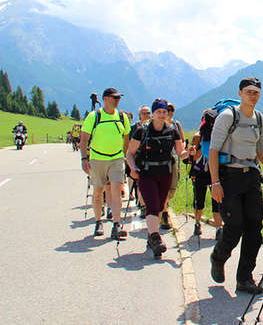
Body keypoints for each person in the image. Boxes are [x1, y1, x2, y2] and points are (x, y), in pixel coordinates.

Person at [208, 77, 263, 294]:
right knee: (234, 227)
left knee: (254, 229)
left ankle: (244, 278)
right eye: (248, 91)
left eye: (255, 92)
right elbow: (213, 151)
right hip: (229, 177)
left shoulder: (260, 119)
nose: (252, 95)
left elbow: (260, 151)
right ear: (240, 93)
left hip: (251, 177)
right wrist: (215, 182)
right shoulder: (228, 117)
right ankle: (218, 256)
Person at [126, 99, 190, 257]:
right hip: (147, 173)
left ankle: (151, 236)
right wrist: (132, 168)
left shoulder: (172, 131)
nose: (162, 115)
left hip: (165, 173)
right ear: (153, 114)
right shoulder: (142, 131)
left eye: (164, 112)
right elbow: (130, 153)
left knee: (160, 206)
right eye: (158, 112)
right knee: (152, 205)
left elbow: (181, 153)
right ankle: (156, 238)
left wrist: (190, 152)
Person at [80, 88, 131, 240]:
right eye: (114, 98)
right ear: (105, 99)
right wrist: (84, 158)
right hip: (97, 159)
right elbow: (83, 140)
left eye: (118, 98)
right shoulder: (94, 117)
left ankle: (116, 224)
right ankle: (98, 221)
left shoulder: (122, 117)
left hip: (116, 159)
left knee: (116, 189)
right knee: (98, 191)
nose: (117, 100)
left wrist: (126, 157)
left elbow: (126, 140)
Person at [188, 132, 224, 238]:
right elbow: (193, 157)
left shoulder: (218, 134)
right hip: (201, 172)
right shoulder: (198, 137)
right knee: (200, 199)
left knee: (216, 200)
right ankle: (199, 223)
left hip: (211, 171)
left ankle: (217, 228)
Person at [160, 103, 185, 229]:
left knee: (172, 188)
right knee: (163, 188)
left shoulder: (176, 125)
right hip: (160, 162)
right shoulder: (156, 126)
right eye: (167, 110)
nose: (170, 112)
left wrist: (184, 152)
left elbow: (182, 140)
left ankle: (163, 204)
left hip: (174, 158)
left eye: (172, 110)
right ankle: (164, 213)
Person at [129, 106, 151, 218]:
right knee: (140, 184)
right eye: (144, 113)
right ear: (139, 115)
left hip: (152, 160)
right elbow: (129, 145)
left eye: (148, 113)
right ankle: (143, 207)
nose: (146, 115)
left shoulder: (153, 127)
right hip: (139, 159)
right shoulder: (134, 128)